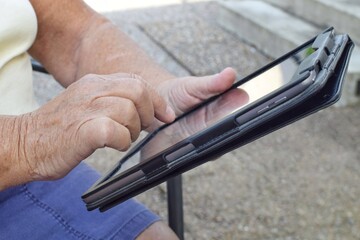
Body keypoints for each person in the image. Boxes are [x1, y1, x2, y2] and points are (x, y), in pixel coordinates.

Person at [0, 1, 239, 239]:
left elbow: (78, 33)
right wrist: (25, 141)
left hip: (34, 171)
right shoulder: (29, 142)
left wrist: (157, 95)